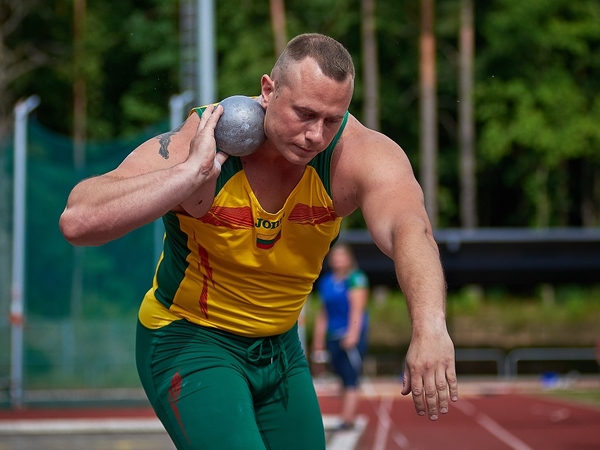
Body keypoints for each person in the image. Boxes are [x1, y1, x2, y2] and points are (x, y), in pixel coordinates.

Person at [59, 33, 457, 450]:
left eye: (331, 119)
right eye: (303, 114)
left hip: (280, 349)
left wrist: (430, 326)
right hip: (191, 337)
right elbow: (79, 219)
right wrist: (186, 177)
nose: (315, 136)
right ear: (268, 90)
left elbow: (411, 229)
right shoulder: (205, 139)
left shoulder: (356, 155)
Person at [312, 242, 370, 430]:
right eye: (335, 257)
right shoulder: (326, 281)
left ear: (349, 258)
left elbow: (357, 309)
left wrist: (353, 333)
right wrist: (318, 339)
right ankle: (345, 415)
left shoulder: (356, 279)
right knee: (339, 376)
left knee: (350, 376)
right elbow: (323, 313)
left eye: (341, 256)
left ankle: (348, 418)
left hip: (350, 336)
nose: (338, 260)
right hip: (333, 335)